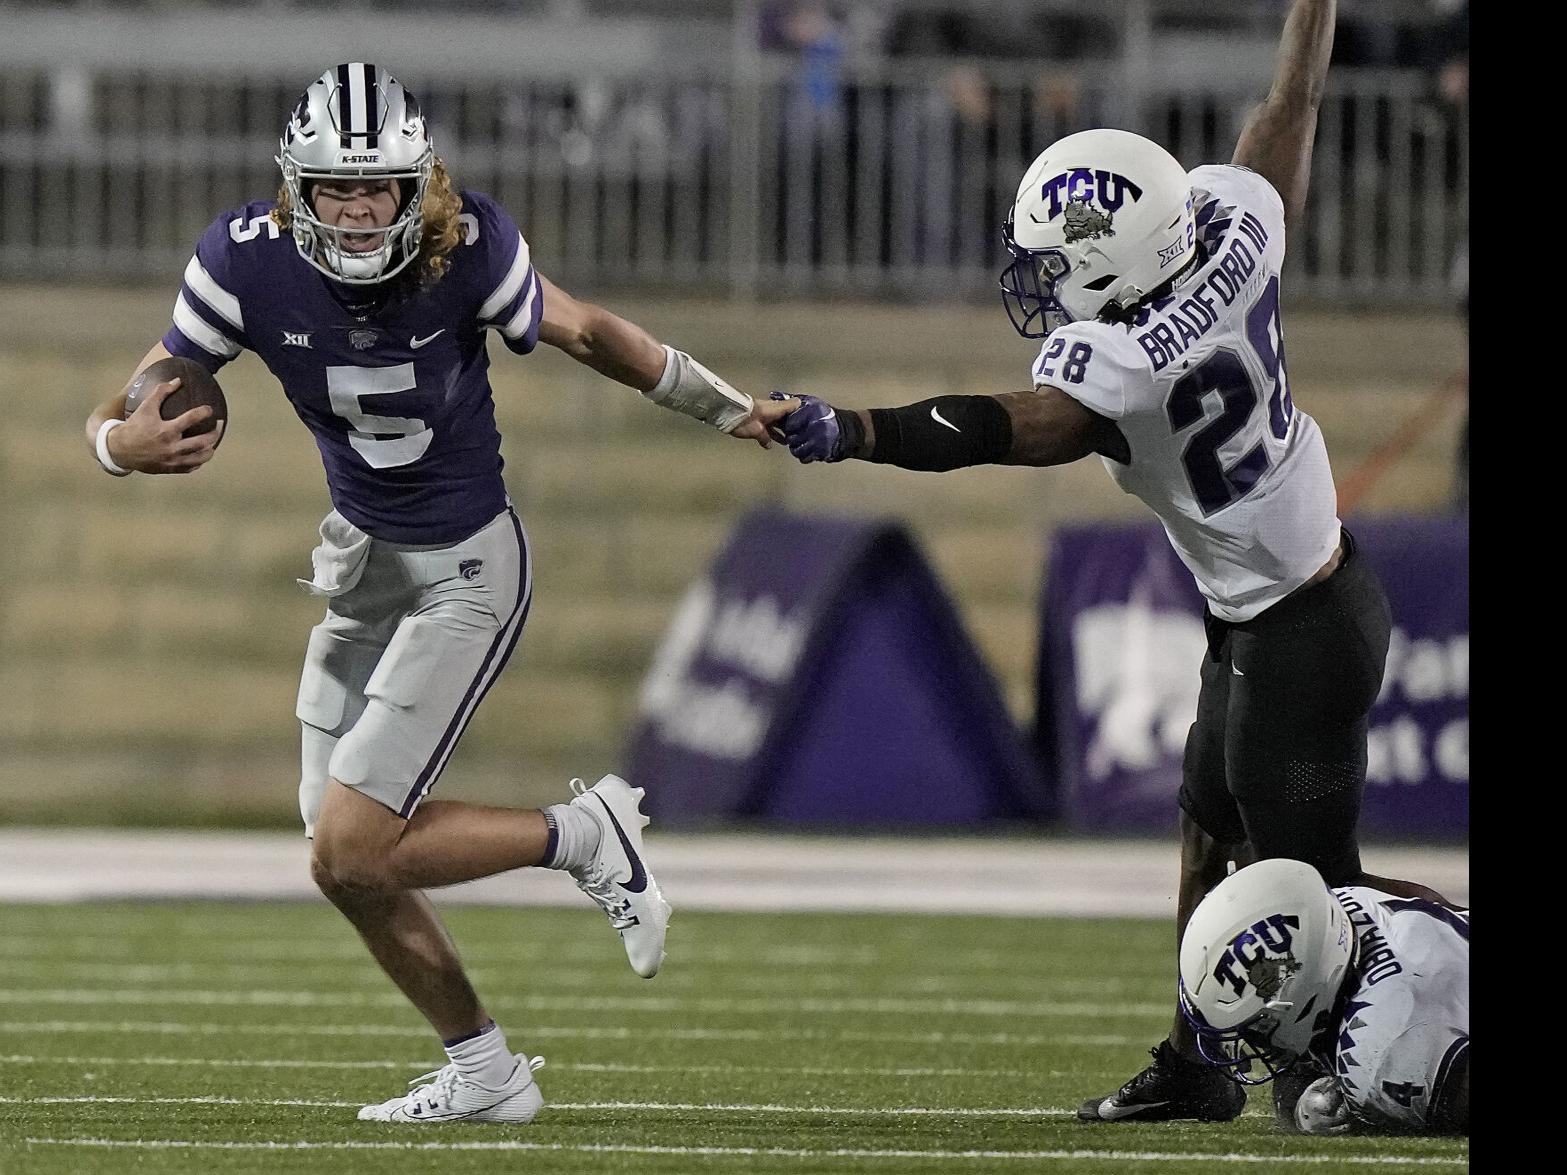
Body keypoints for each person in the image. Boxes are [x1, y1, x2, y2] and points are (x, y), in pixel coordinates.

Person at [755, 0, 1453, 1122]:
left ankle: (1392, 1033)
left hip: (1301, 629)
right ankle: (1196, 1056)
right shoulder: (1231, 228)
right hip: (1279, 602)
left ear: (1112, 260)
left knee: (1321, 890)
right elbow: (1292, 105)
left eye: (1052, 258)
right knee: (1203, 817)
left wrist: (855, 427)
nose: (1035, 277)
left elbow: (1003, 426)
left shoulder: (1120, 361)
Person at [83, 63, 771, 1125]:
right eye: (334, 191)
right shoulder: (241, 261)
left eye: (379, 191)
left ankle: (582, 834)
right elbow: (143, 383)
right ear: (294, 190)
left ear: (418, 188)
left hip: (464, 567)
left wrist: (723, 407)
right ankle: (488, 1069)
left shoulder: (468, 246)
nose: (358, 213)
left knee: (356, 842)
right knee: (339, 856)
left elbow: (589, 331)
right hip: (363, 567)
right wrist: (114, 444)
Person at [1178, 858, 1468, 1135]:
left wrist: (1361, 1118)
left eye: (1258, 1025)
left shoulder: (1384, 1050)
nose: (1253, 1038)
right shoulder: (1341, 906)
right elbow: (1435, 903)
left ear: (1300, 996)